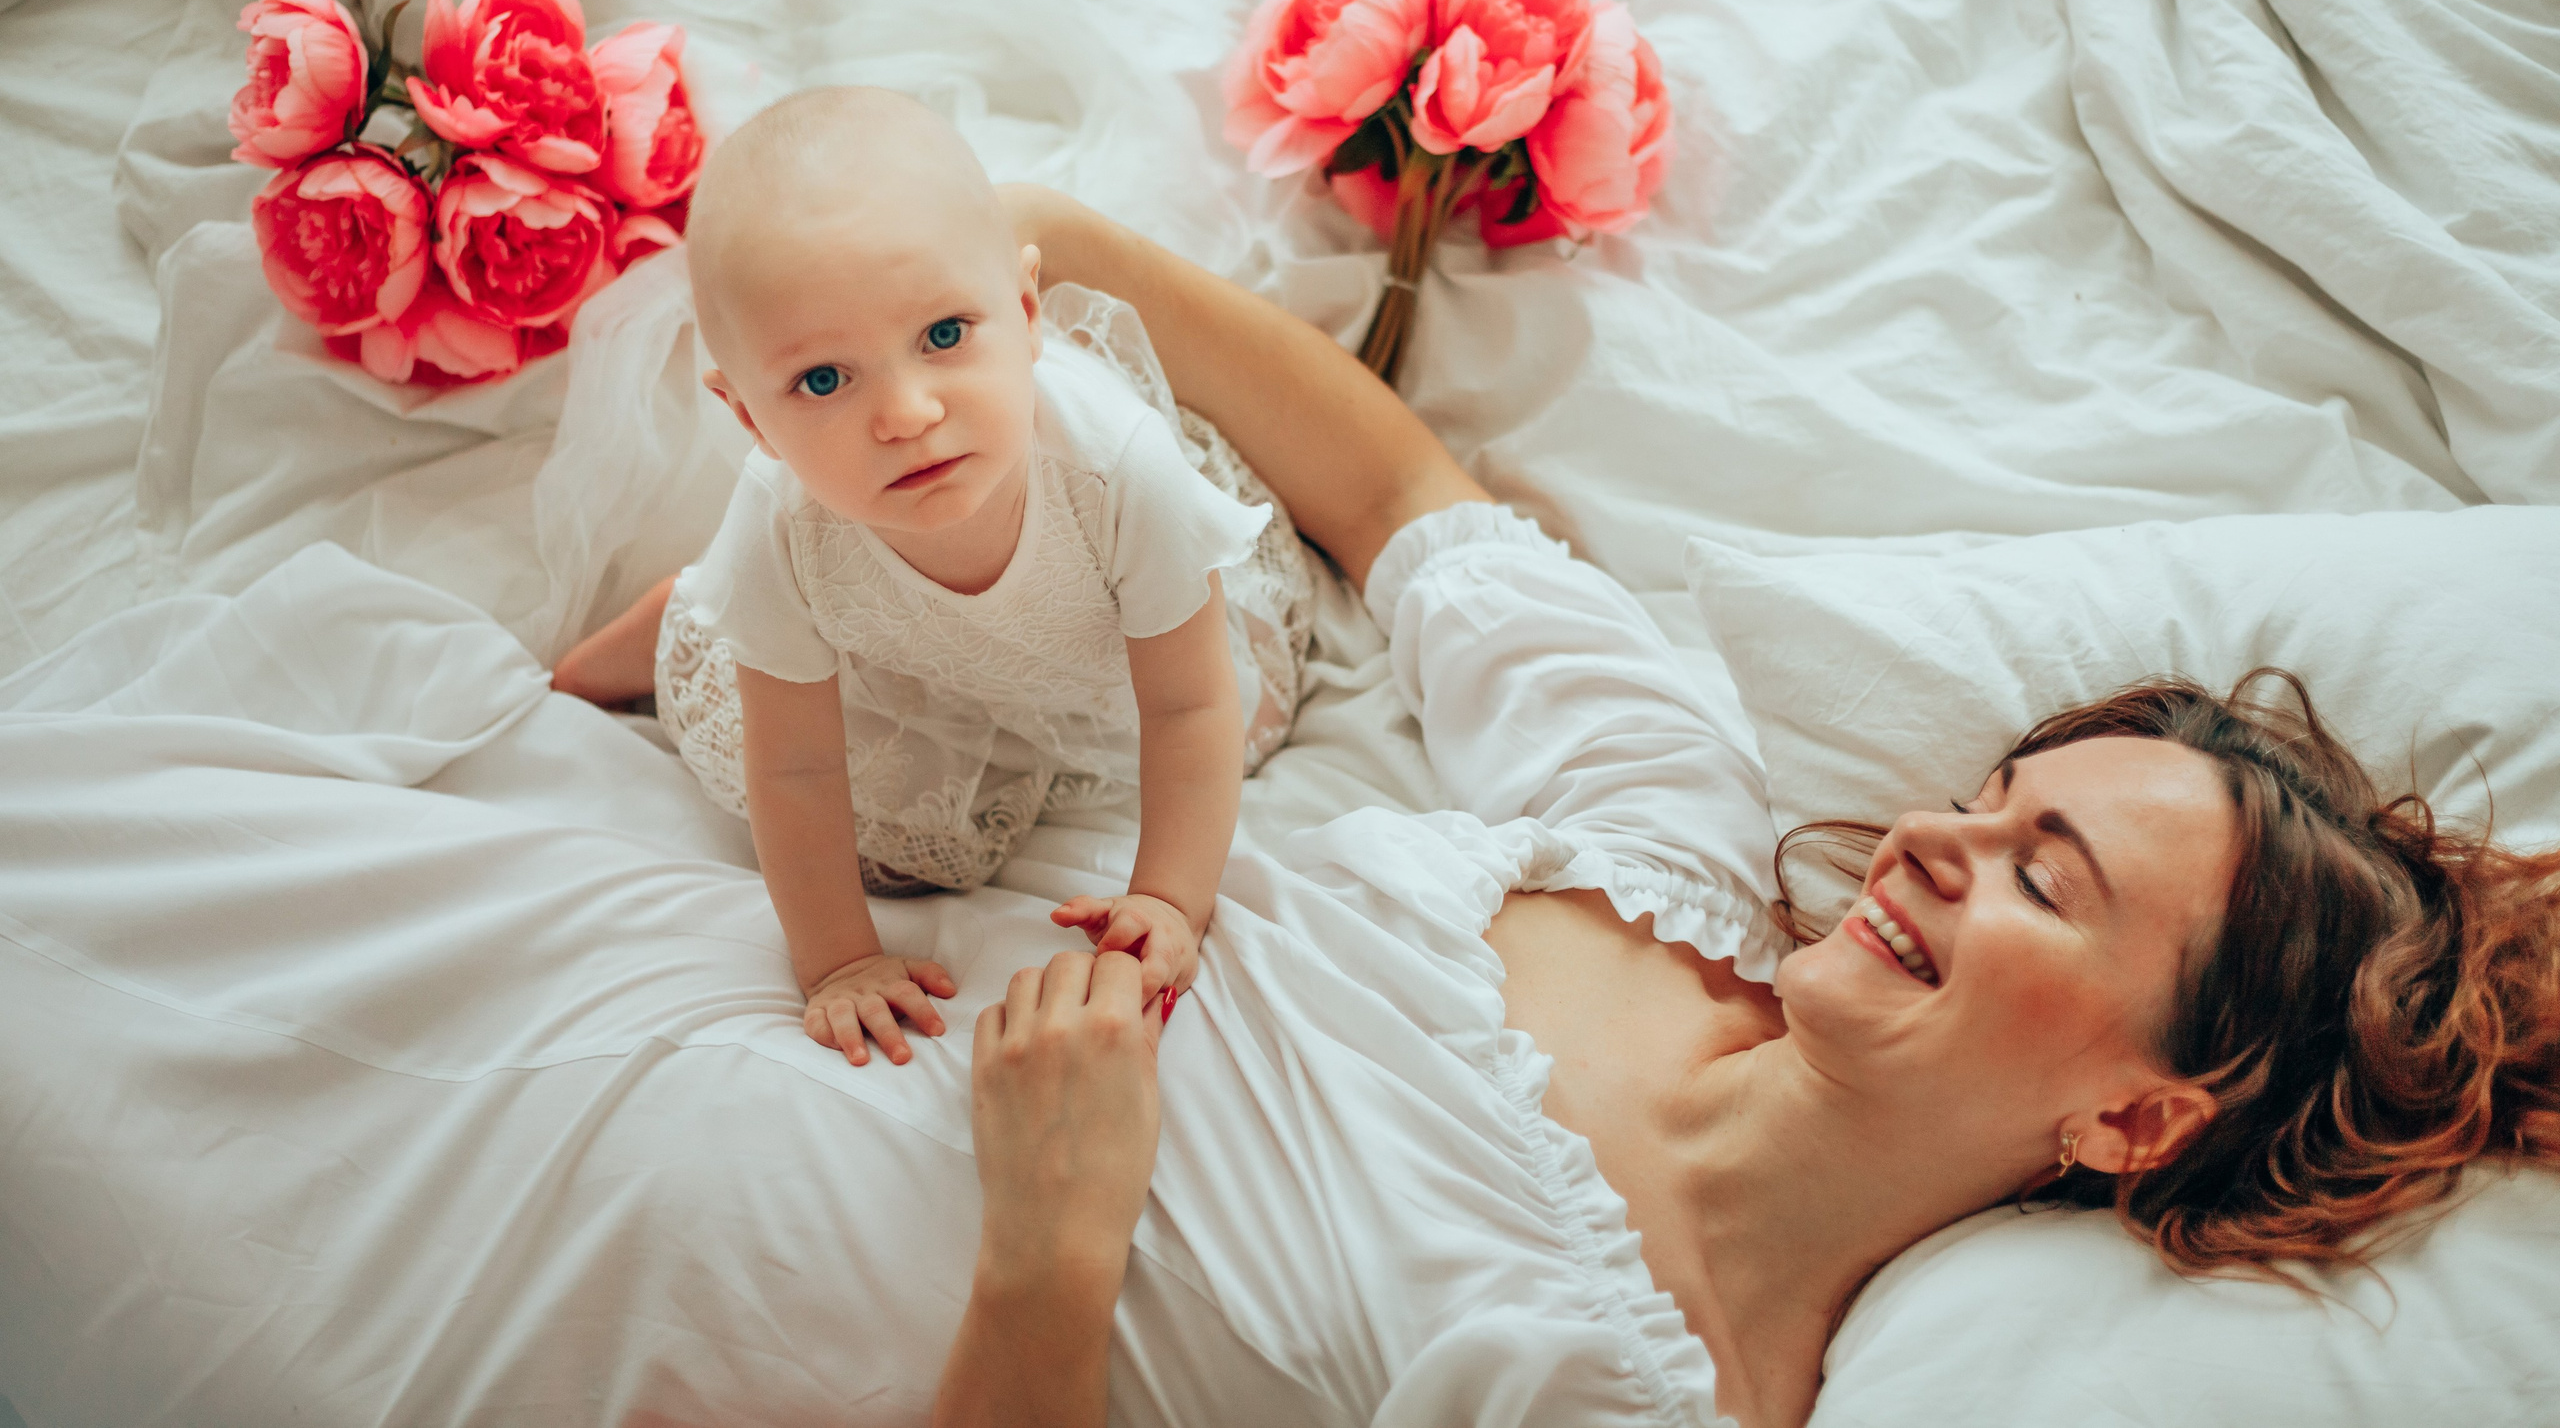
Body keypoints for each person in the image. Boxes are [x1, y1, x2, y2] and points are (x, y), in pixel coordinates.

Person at [918, 184, 2560, 1428]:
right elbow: (1405, 501)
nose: (1933, 840)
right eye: (1994, 802)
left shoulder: (1640, 1393)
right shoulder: (1663, 835)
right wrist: (1036, 239)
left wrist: (1047, 1263)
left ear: (2134, 1119)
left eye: (2040, 882)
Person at [554, 89, 1315, 1067]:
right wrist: (835, 963)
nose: (908, 413)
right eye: (823, 381)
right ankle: (691, 619)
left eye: (946, 335)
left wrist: (1168, 899)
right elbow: (793, 768)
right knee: (889, 843)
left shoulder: (1117, 470)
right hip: (902, 648)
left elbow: (1187, 707)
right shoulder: (783, 521)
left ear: (1028, 312)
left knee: (1244, 714)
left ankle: (709, 607)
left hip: (1115, 656)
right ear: (748, 417)